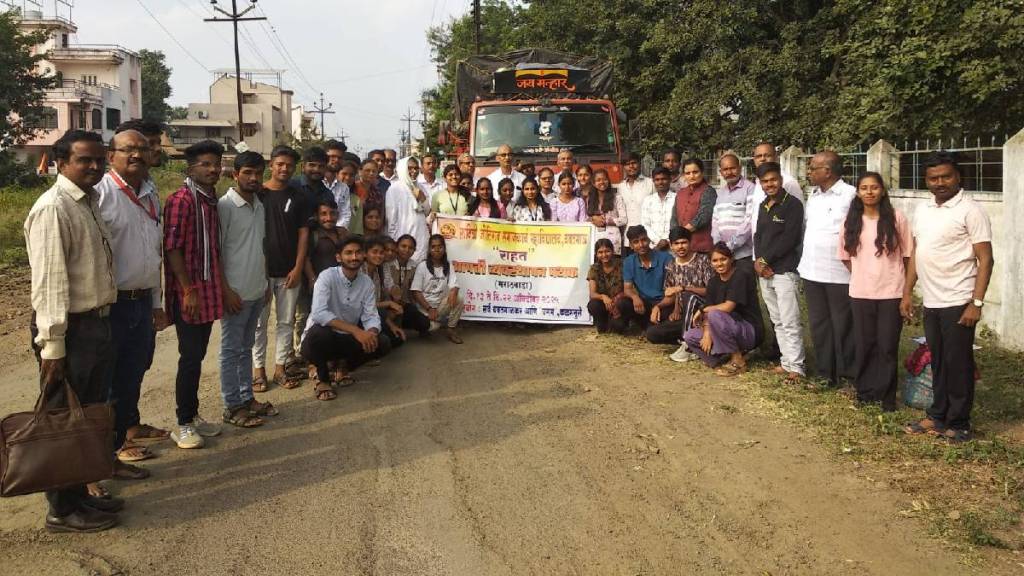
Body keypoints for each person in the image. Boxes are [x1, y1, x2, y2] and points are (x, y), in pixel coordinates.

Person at [25, 130, 121, 533]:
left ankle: (80, 495)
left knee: (86, 416)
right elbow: (49, 285)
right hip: (71, 330)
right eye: (85, 160)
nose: (95, 167)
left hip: (95, 323)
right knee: (65, 420)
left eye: (100, 160)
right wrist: (53, 346)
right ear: (61, 162)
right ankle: (61, 509)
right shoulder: (54, 208)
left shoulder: (89, 201)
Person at [902, 152, 993, 443]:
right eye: (933, 178)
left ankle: (960, 422)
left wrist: (975, 303)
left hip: (959, 300)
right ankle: (938, 416)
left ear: (958, 177)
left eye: (946, 176)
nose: (940, 182)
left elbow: (986, 259)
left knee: (958, 363)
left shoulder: (971, 210)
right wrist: (907, 292)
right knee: (938, 360)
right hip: (932, 300)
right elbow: (918, 252)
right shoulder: (924, 209)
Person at [94, 129, 168, 477]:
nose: (136, 155)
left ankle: (129, 428)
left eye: (142, 149)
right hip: (113, 305)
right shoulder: (100, 194)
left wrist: (156, 302)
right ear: (111, 156)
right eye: (128, 150)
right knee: (109, 379)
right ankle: (110, 450)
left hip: (142, 301)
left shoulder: (151, 195)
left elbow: (153, 253)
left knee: (134, 372)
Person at [163, 140, 226, 449]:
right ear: (190, 168)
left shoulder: (210, 200)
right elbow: (172, 247)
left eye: (217, 164)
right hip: (189, 291)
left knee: (199, 355)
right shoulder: (182, 200)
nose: (213, 169)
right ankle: (183, 423)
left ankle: (194, 414)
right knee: (189, 357)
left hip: (208, 288)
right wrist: (187, 288)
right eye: (206, 164)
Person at [838, 172, 912, 411]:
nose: (869, 192)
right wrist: (863, 274)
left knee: (887, 346)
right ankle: (866, 392)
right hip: (860, 293)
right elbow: (846, 258)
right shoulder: (851, 222)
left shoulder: (897, 218)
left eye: (874, 188)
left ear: (882, 191)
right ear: (858, 192)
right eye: (864, 188)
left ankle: (887, 397)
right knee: (865, 344)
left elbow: (909, 255)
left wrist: (907, 292)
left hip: (891, 292)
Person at [217, 151, 277, 430]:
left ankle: (246, 398)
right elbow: (216, 253)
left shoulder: (259, 205)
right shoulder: (225, 207)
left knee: (246, 347)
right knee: (231, 350)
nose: (253, 178)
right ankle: (232, 406)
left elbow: (262, 247)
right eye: (247, 173)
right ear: (235, 175)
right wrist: (225, 290)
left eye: (257, 173)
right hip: (235, 292)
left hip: (256, 289)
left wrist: (265, 282)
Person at [300, 236, 393, 400]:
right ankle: (323, 378)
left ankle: (342, 366)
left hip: (345, 339)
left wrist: (370, 333)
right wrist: (356, 331)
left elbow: (371, 315)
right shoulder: (326, 277)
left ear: (363, 255)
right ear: (338, 257)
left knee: (382, 342)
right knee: (320, 333)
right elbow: (319, 313)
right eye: (348, 253)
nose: (354, 257)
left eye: (358, 252)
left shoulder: (366, 283)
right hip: (318, 340)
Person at [253, 146, 310, 393]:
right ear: (271, 164)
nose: (284, 168)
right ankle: (258, 372)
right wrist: (259, 273)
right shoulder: (257, 194)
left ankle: (280, 368)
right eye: (280, 164)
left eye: (289, 165)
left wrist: (298, 267)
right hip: (260, 272)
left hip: (289, 271)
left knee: (286, 322)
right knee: (258, 324)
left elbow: (303, 234)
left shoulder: (298, 197)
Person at [798, 151, 857, 386]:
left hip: (839, 273)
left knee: (843, 326)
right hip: (812, 270)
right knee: (819, 325)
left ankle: (849, 375)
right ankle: (825, 374)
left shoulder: (850, 195)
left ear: (827, 171)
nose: (809, 172)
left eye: (813, 168)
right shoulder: (813, 195)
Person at [753, 161, 806, 380]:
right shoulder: (763, 205)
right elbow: (758, 235)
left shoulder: (792, 204)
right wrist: (758, 261)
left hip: (784, 270)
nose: (769, 184)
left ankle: (797, 367)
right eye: (765, 181)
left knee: (790, 319)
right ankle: (786, 362)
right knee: (776, 320)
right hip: (765, 272)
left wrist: (765, 259)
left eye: (773, 180)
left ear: (781, 180)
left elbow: (790, 239)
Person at [681, 243, 763, 373]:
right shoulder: (713, 282)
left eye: (723, 259)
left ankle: (738, 360)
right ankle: (718, 362)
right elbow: (710, 309)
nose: (719, 264)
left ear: (731, 259)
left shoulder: (740, 276)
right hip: (724, 328)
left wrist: (702, 310)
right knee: (689, 335)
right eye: (715, 260)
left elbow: (728, 307)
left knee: (715, 314)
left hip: (748, 330)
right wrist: (707, 333)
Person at [646, 227, 713, 347]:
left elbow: (711, 291)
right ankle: (686, 340)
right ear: (671, 246)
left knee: (688, 295)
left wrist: (684, 288)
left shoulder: (703, 261)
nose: (680, 247)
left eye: (684, 242)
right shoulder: (671, 265)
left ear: (690, 243)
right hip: (682, 315)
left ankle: (689, 343)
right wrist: (657, 306)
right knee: (652, 333)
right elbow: (670, 293)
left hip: (701, 314)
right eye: (676, 244)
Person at [410, 235, 465, 344]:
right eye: (433, 247)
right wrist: (429, 308)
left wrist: (454, 291)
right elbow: (416, 292)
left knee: (459, 298)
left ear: (444, 248)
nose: (437, 250)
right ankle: (427, 327)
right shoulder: (422, 266)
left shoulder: (448, 265)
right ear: (429, 249)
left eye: (440, 246)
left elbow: (454, 284)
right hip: (425, 309)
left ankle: (451, 329)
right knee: (432, 327)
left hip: (440, 307)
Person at [619, 225, 674, 332]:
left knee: (658, 325)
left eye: (644, 240)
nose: (641, 245)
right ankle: (646, 324)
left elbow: (673, 292)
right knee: (623, 303)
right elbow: (627, 289)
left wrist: (658, 306)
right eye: (636, 242)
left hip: (664, 303)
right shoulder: (629, 261)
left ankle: (652, 326)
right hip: (645, 303)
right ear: (631, 245)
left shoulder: (666, 258)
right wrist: (635, 297)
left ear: (648, 240)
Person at [749, 142, 805, 245]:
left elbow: (798, 222)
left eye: (767, 155)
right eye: (758, 156)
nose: (762, 159)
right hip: (760, 251)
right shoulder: (758, 182)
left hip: (782, 253)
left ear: (776, 157)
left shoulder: (788, 182)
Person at [712, 152, 756, 269]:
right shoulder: (721, 193)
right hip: (723, 256)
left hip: (743, 255)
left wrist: (730, 245)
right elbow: (715, 221)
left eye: (732, 168)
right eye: (725, 169)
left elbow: (750, 220)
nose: (729, 172)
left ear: (740, 168)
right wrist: (718, 245)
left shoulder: (750, 188)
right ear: (721, 172)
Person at [385, 156, 432, 262]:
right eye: (410, 168)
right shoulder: (394, 189)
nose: (414, 171)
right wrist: (394, 243)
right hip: (402, 237)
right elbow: (391, 220)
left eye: (416, 168)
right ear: (403, 169)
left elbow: (427, 212)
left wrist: (422, 198)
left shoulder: (421, 187)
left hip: (421, 236)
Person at [363, 236, 407, 348]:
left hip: (374, 312)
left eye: (381, 253)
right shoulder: (360, 271)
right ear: (365, 253)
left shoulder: (378, 271)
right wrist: (389, 303)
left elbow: (390, 285)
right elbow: (363, 305)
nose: (379, 256)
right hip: (361, 315)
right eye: (374, 252)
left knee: (398, 340)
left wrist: (395, 293)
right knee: (386, 343)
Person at [670, 158, 716, 254]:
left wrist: (681, 233)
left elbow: (704, 216)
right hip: (681, 247)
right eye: (688, 173)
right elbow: (674, 217)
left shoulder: (708, 191)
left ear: (702, 172)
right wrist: (675, 236)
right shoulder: (680, 193)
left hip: (701, 247)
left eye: (695, 172)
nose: (692, 176)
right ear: (683, 175)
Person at [387, 234, 429, 336]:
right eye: (403, 246)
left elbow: (413, 291)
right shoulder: (388, 264)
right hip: (387, 305)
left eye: (410, 248)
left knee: (424, 323)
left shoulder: (414, 266)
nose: (406, 250)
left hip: (405, 305)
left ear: (414, 250)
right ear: (397, 247)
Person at [586, 238, 625, 333]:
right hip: (604, 304)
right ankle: (602, 322)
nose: (604, 255)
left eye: (607, 251)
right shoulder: (594, 268)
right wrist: (603, 297)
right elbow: (592, 294)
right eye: (600, 252)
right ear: (596, 254)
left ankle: (619, 322)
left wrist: (616, 300)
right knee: (593, 304)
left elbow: (630, 287)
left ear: (613, 251)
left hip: (619, 303)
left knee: (618, 328)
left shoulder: (622, 265)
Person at [587, 169, 626, 252]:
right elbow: (586, 218)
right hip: (595, 238)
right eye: (598, 180)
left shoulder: (617, 198)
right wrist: (593, 219)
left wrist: (605, 221)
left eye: (605, 179)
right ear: (593, 183)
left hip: (613, 239)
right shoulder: (590, 199)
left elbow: (623, 219)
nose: (602, 182)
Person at [618, 152, 654, 240]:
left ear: (639, 163)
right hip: (628, 238)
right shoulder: (621, 187)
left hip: (647, 236)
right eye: (627, 164)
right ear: (624, 167)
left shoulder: (650, 183)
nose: (631, 166)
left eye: (634, 163)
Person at [306, 198, 343, 281]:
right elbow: (306, 259)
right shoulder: (313, 235)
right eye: (323, 214)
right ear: (316, 216)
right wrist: (312, 279)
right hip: (320, 284)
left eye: (332, 213)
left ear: (338, 215)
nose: (329, 218)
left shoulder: (343, 233)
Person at [640, 167, 676, 250]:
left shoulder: (677, 198)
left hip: (673, 246)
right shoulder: (648, 200)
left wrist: (667, 240)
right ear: (653, 181)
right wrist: (658, 241)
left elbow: (679, 223)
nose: (660, 182)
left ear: (670, 179)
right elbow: (645, 224)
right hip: (654, 247)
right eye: (657, 179)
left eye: (664, 179)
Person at [323, 140, 352, 232]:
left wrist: (337, 231)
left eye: (339, 157)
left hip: (337, 234)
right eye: (332, 156)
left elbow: (345, 214)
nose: (336, 160)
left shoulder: (344, 187)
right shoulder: (316, 183)